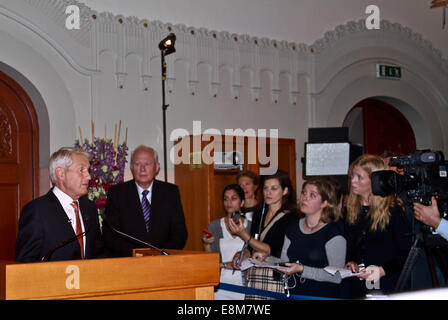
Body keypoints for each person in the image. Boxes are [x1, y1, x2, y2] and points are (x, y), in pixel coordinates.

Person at [261, 177, 347, 299]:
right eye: (303, 193)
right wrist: (267, 259)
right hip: (294, 295)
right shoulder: (293, 229)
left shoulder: (333, 234)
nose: (305, 198)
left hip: (321, 296)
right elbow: (285, 263)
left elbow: (337, 276)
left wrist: (302, 269)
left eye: (312, 195)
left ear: (324, 203)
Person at [15, 147, 105, 262]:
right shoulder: (37, 210)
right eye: (81, 170)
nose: (88, 176)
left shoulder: (89, 207)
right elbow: (25, 261)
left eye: (88, 170)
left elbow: (97, 252)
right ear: (61, 174)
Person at [343, 154, 412, 298]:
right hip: (360, 283)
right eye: (352, 176)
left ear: (374, 180)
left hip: (388, 283)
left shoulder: (393, 210)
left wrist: (382, 270)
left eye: (359, 177)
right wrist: (351, 261)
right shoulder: (351, 208)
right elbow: (352, 246)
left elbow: (406, 252)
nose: (353, 181)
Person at [103, 145, 187, 257]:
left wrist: (161, 254)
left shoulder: (170, 192)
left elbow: (180, 232)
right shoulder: (117, 193)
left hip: (163, 261)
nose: (142, 168)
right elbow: (110, 234)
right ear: (132, 167)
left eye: (147, 164)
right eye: (137, 164)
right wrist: (135, 254)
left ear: (157, 167)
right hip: (129, 261)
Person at [230, 170, 299, 300]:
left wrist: (243, 234)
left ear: (285, 191)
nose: (268, 192)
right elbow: (251, 247)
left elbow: (271, 249)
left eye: (274, 188)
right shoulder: (258, 214)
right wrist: (242, 255)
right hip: (255, 274)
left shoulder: (291, 217)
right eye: (266, 188)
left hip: (276, 276)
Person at [202, 184, 251, 300]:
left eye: (234, 198)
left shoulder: (250, 226)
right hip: (220, 287)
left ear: (242, 202)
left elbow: (255, 256)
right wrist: (206, 244)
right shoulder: (214, 226)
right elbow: (209, 262)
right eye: (226, 199)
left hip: (244, 286)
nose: (229, 202)